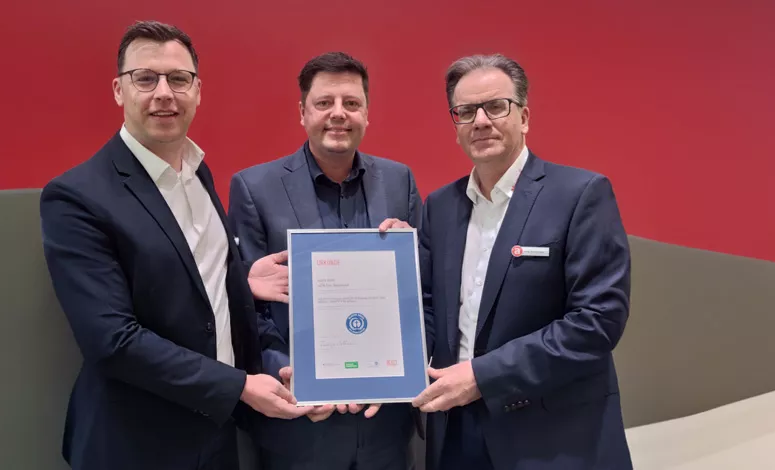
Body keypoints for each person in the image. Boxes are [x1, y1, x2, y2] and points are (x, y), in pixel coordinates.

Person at [40, 20, 308, 470]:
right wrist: (238, 385)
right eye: (145, 78)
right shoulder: (76, 196)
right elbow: (113, 341)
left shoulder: (197, 172)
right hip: (136, 442)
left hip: (214, 434)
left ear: (198, 91)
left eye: (178, 79)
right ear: (118, 90)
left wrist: (237, 278)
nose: (164, 92)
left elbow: (183, 273)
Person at [411, 54, 634, 470]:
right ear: (455, 124)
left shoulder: (580, 194)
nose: (480, 121)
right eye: (465, 111)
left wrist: (482, 377)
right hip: (455, 431)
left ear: (524, 116)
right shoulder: (439, 207)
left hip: (551, 436)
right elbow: (426, 308)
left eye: (496, 106)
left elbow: (597, 321)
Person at [228, 52, 421, 470]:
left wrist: (406, 265)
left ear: (367, 113)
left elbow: (422, 299)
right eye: (324, 103)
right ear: (302, 112)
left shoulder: (399, 179)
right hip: (298, 422)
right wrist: (294, 376)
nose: (339, 114)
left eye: (351, 103)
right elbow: (248, 311)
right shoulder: (254, 187)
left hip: (383, 422)